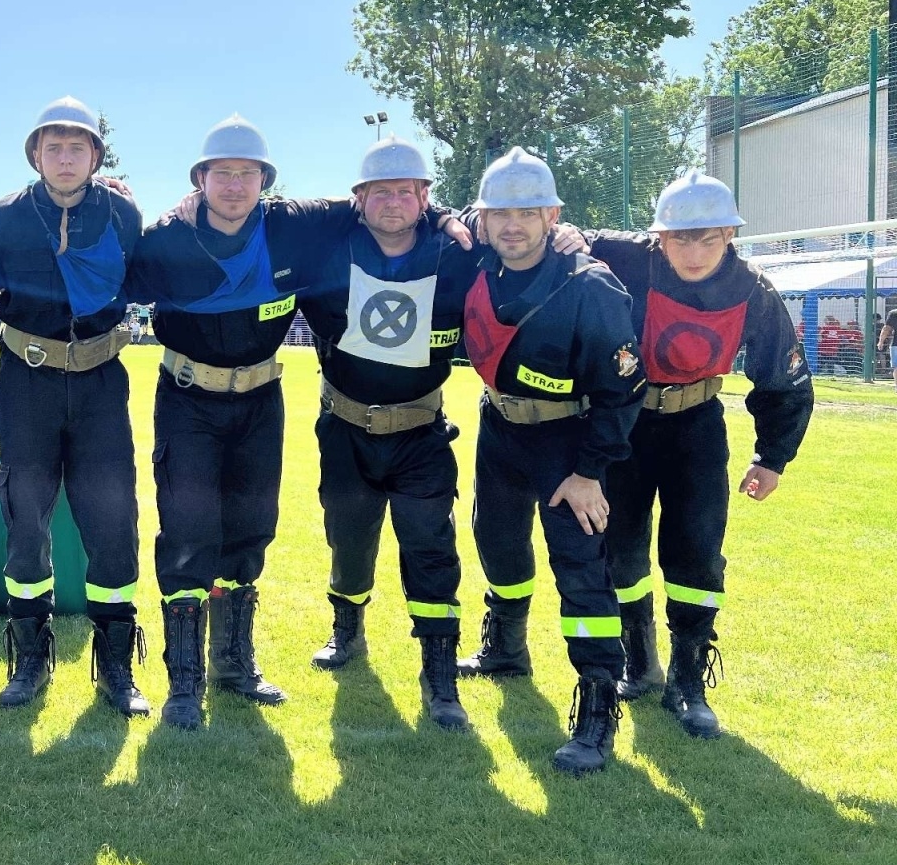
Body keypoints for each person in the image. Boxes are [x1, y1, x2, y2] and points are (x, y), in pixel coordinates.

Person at [129, 116, 351, 728]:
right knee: (188, 531)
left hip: (260, 400)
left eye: (246, 173)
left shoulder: (292, 223)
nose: (234, 184)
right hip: (187, 398)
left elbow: (381, 204)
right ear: (199, 180)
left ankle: (234, 663)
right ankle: (184, 682)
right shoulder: (166, 237)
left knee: (251, 530)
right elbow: (104, 269)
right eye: (221, 173)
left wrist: (447, 220)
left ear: (264, 181)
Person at [586, 173, 813, 737]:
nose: (694, 251)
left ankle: (688, 682)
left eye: (708, 238)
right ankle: (639, 664)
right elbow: (547, 230)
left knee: (696, 550)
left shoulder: (754, 291)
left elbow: (782, 376)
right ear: (658, 238)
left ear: (730, 235)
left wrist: (772, 457)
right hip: (625, 424)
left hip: (697, 427)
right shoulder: (627, 258)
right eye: (680, 239)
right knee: (619, 547)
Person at [455, 148, 647, 775]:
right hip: (499, 427)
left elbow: (624, 390)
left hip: (569, 444)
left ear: (552, 215)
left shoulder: (588, 284)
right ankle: (506, 650)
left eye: (528, 212)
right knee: (498, 541)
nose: (512, 225)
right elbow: (439, 218)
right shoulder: (479, 259)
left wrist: (590, 471)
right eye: (499, 213)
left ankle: (597, 710)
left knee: (580, 569)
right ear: (483, 220)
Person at [295, 137, 491, 732]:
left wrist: (457, 218)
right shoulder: (331, 248)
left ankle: (439, 674)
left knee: (430, 548)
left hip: (421, 432)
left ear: (425, 196)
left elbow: (517, 231)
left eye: (407, 190)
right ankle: (347, 631)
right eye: (379, 190)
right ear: (359, 199)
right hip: (345, 427)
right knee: (348, 542)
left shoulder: (455, 252)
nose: (393, 201)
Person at [0, 96, 148, 716]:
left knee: (112, 521)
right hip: (27, 383)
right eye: (53, 147)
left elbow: (152, 266)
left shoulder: (122, 211)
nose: (65, 158)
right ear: (35, 155)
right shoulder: (6, 216)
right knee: (24, 519)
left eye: (78, 147)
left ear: (96, 155)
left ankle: (116, 664)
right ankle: (31, 658)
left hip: (101, 382)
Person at [879, 299, 897, 386]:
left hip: (895, 344)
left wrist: (881, 341)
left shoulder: (893, 313)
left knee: (896, 367)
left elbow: (886, 329)